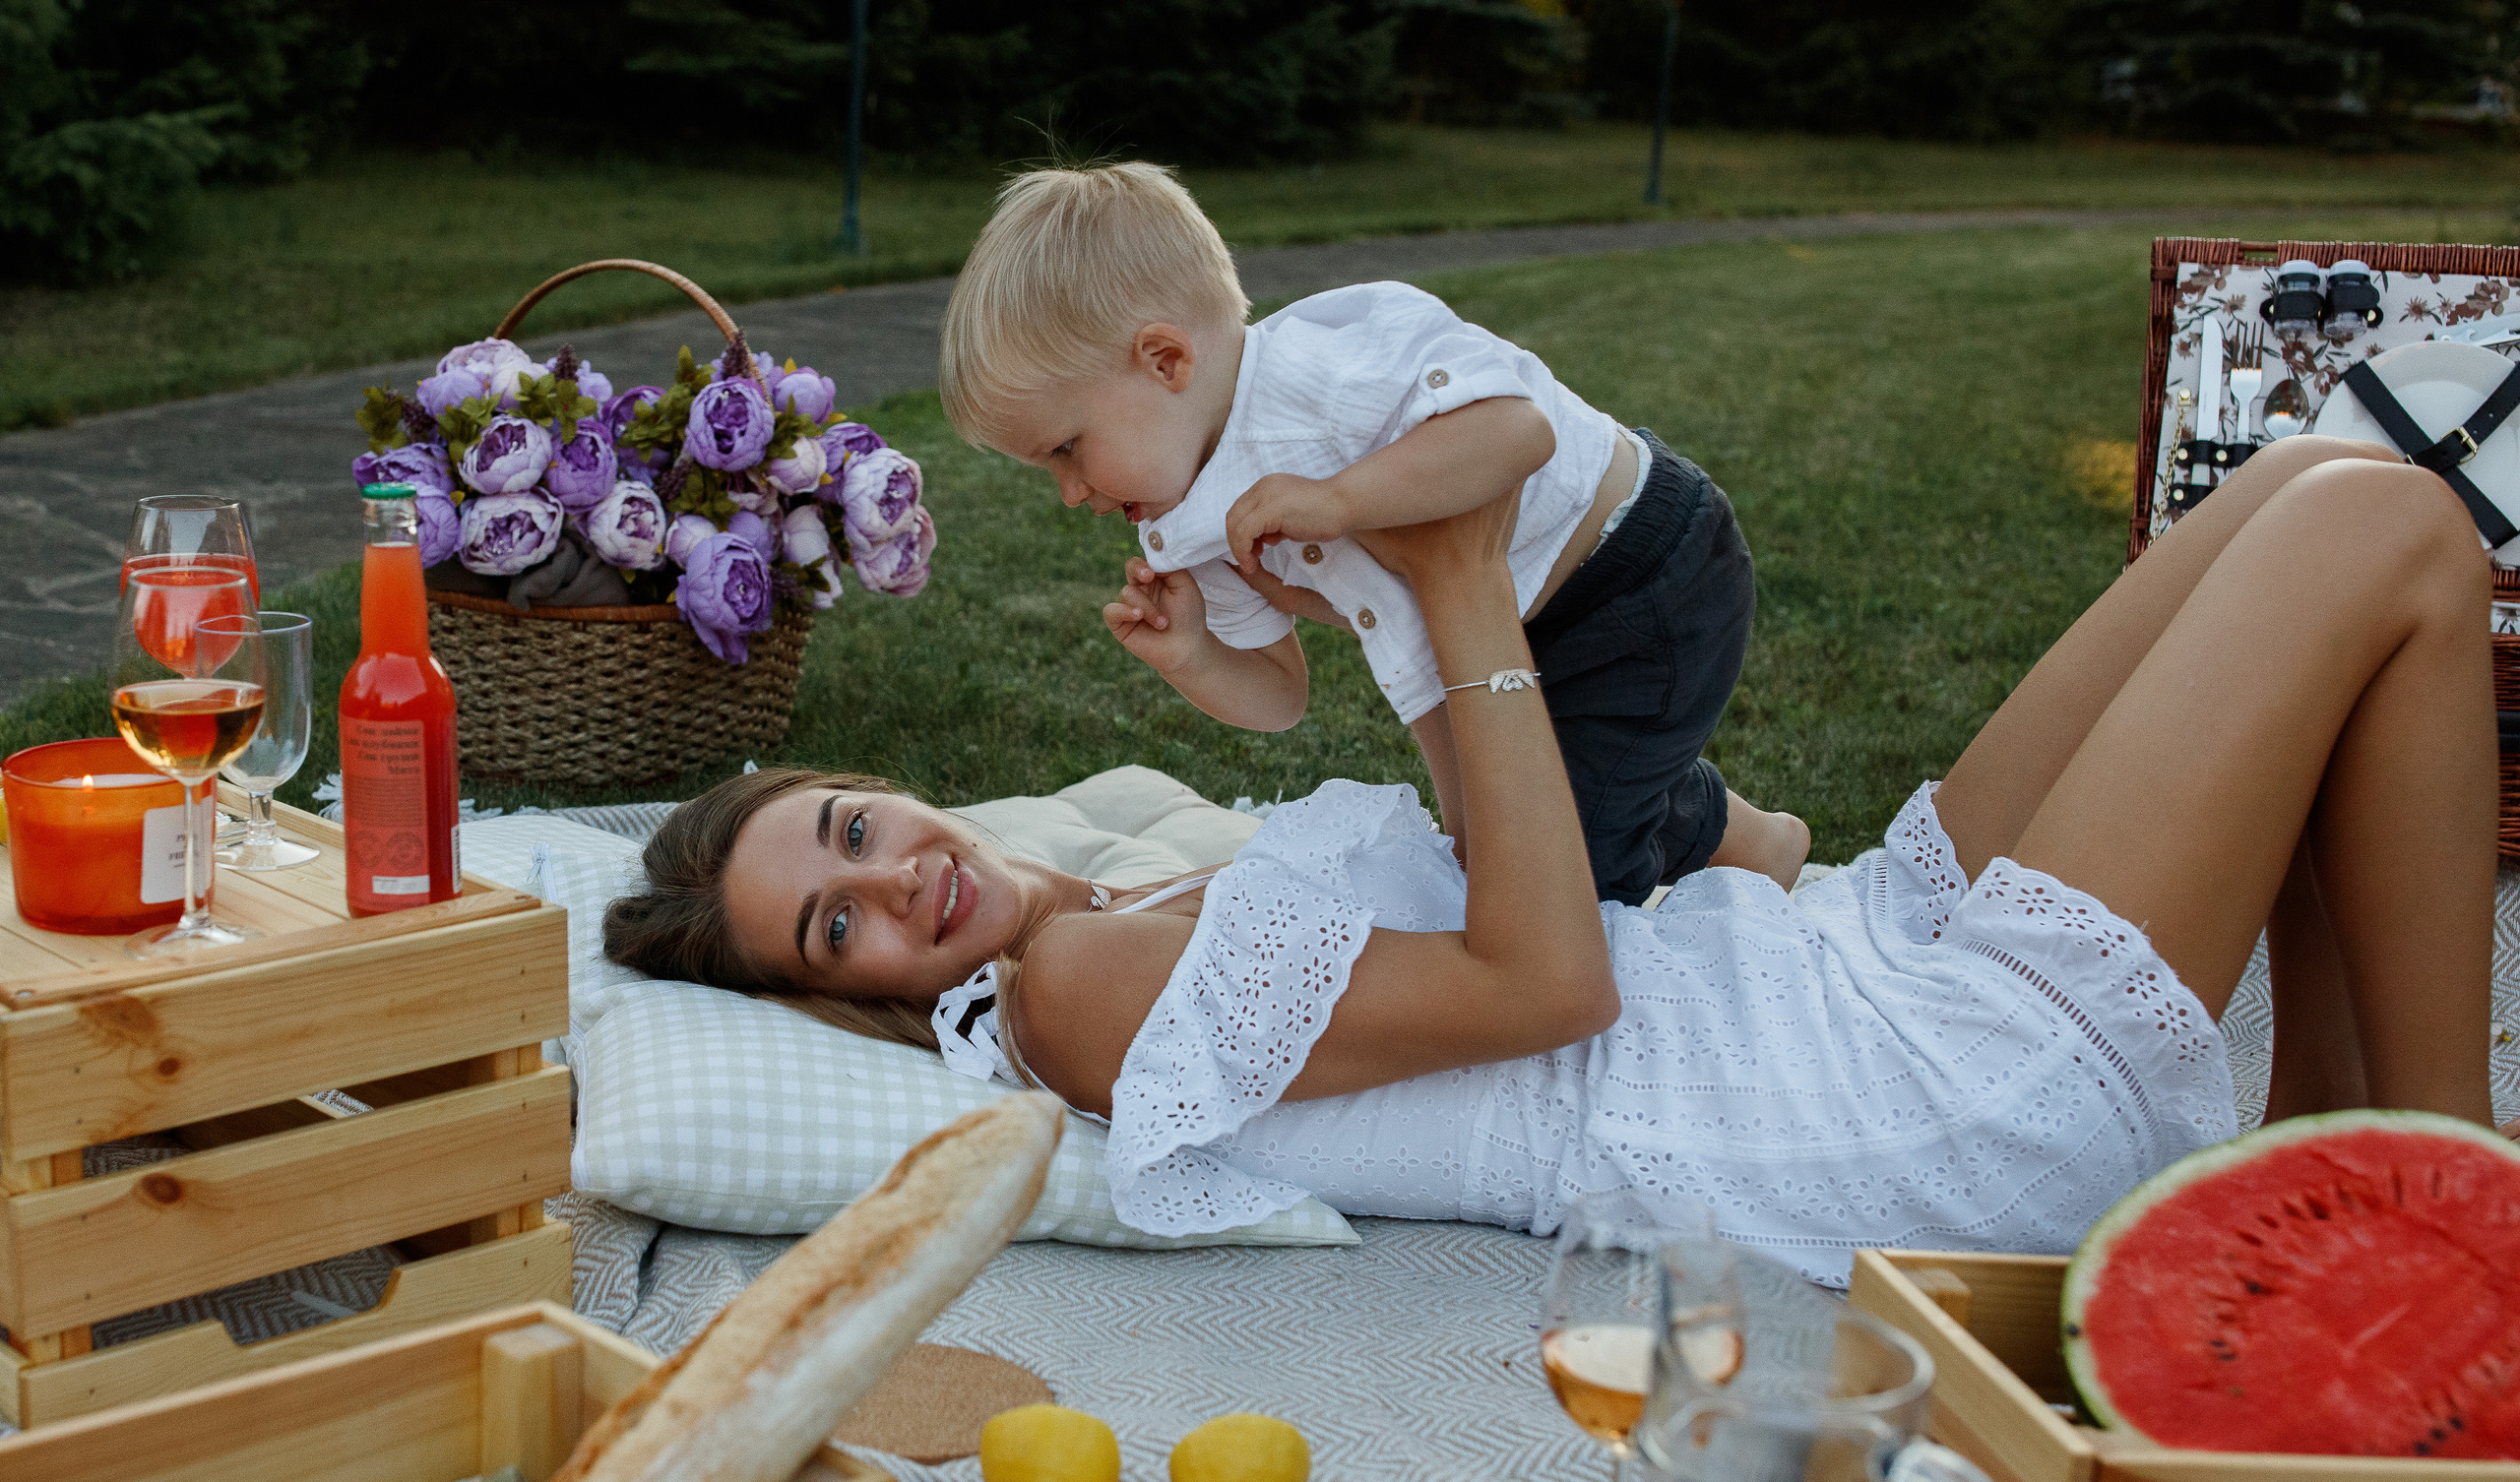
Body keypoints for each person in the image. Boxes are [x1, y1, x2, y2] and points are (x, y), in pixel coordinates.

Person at [605, 437, 2493, 1284]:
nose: (892, 883)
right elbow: (1549, 983)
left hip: (1825, 961)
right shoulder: (1075, 996)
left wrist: (1381, 613)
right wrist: (1459, 589)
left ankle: (2334, 1149)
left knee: (2296, 489)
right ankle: (2457, 1231)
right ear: (848, 1003)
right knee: (2387, 538)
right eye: (833, 929)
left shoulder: (1120, 902)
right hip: (1854, 1099)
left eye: (851, 830)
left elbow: (1541, 855)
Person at [934, 160, 1810, 904]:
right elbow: (1282, 696)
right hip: (1495, 642)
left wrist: (1345, 498)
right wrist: (1195, 655)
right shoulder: (1190, 521)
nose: (1069, 491)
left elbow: (1519, 430)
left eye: (1067, 449)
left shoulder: (1332, 363)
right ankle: (1750, 840)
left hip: (1639, 573)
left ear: (1166, 361)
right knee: (1492, 854)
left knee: (1554, 878)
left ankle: (1642, 984)